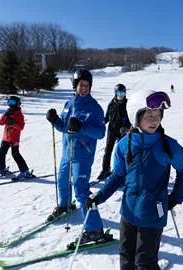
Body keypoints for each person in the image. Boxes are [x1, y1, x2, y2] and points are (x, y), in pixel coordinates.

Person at [87, 90, 183, 270]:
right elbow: (118, 175)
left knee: (144, 263)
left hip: (153, 212)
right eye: (149, 115)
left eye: (158, 115)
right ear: (136, 116)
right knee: (126, 259)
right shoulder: (124, 144)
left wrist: (174, 198)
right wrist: (99, 196)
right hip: (128, 211)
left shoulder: (167, 145)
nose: (154, 120)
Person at [45, 69, 108, 242]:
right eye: (81, 85)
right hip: (67, 153)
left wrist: (83, 127)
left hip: (82, 155)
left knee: (81, 190)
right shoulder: (69, 104)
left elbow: (101, 132)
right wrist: (55, 120)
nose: (84, 88)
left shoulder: (94, 108)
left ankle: (95, 230)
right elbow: (65, 128)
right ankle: (64, 205)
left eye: (87, 86)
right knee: (62, 180)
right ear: (75, 85)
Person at [0, 96, 32, 179]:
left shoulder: (19, 115)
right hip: (6, 137)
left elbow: (21, 127)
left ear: (17, 104)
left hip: (14, 138)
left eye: (12, 102)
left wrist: (14, 123)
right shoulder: (8, 112)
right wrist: (5, 114)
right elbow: (1, 123)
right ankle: (2, 169)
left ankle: (25, 171)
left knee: (15, 154)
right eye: (9, 102)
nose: (10, 105)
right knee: (1, 152)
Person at [97, 83, 132, 180]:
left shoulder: (128, 104)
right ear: (115, 93)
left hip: (123, 132)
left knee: (123, 152)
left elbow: (131, 118)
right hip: (112, 130)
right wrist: (103, 121)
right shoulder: (111, 104)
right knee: (108, 150)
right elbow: (107, 116)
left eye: (123, 92)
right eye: (119, 92)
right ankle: (105, 170)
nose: (121, 95)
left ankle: (123, 172)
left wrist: (127, 127)